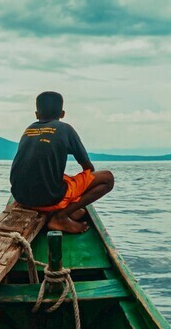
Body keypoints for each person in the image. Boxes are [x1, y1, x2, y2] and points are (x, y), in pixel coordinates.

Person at [9, 91, 114, 233]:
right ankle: (61, 216)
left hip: (21, 197)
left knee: (62, 178)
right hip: (48, 199)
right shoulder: (66, 129)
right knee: (107, 178)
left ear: (37, 114)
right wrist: (81, 193)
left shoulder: (29, 129)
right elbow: (87, 167)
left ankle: (66, 207)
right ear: (62, 114)